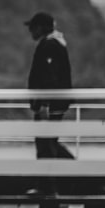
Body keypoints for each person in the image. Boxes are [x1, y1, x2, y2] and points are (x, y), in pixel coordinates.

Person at [25, 12, 74, 195]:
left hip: (49, 106)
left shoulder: (49, 45)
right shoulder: (55, 42)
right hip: (55, 105)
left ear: (41, 27)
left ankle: (48, 188)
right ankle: (67, 174)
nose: (31, 31)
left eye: (33, 27)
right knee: (50, 144)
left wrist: (44, 104)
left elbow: (49, 77)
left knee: (46, 145)